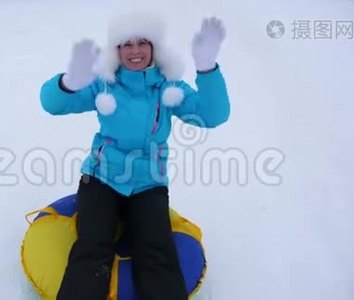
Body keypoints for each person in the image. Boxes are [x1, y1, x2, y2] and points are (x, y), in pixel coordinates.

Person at [40, 11, 230, 300]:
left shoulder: (168, 87)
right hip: (101, 178)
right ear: (117, 49)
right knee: (92, 249)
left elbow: (213, 115)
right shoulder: (103, 83)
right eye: (127, 44)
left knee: (156, 252)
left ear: (154, 47)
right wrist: (68, 81)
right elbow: (52, 104)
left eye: (143, 42)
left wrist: (207, 68)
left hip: (148, 184)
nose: (135, 51)